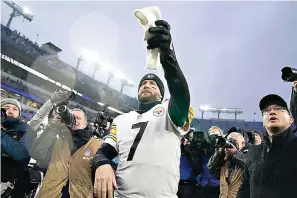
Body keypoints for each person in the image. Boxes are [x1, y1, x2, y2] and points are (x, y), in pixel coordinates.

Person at [92, 20, 193, 198]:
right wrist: (101, 164)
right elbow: (104, 152)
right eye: (143, 84)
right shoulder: (121, 120)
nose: (146, 85)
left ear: (161, 95)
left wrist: (167, 56)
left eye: (153, 84)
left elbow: (180, 93)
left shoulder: (169, 111)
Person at [29, 91, 103, 198]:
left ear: (86, 124)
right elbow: (37, 153)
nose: (74, 121)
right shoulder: (57, 140)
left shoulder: (97, 145)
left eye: (78, 118)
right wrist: (54, 127)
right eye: (71, 117)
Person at [237, 94, 297, 198]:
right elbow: (245, 189)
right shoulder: (254, 152)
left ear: (291, 119)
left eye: (279, 109)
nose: (272, 112)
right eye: (266, 110)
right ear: (263, 122)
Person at [1, 98, 33, 197]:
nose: (10, 111)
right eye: (6, 107)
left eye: (15, 109)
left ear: (19, 114)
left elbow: (20, 153)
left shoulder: (26, 130)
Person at [208, 132, 247, 198]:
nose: (230, 145)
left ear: (243, 143)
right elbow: (212, 171)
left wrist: (235, 154)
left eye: (234, 142)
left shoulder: (250, 155)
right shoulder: (224, 159)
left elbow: (250, 168)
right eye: (229, 142)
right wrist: (219, 152)